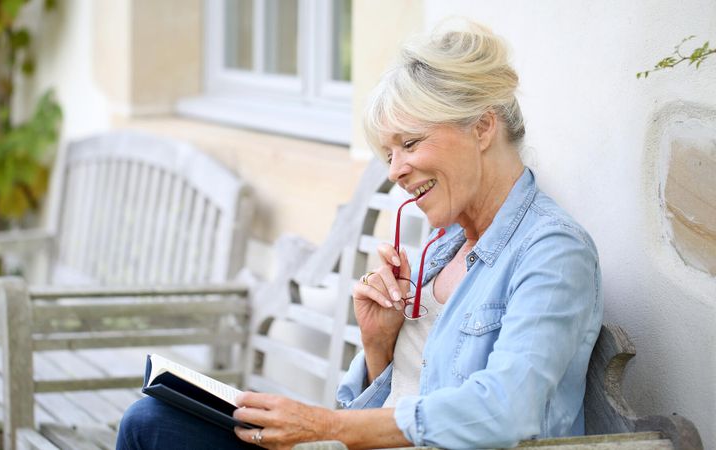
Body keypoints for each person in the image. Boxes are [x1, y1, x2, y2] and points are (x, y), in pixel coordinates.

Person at [116, 18, 603, 450]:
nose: (396, 171)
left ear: (481, 128)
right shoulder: (446, 247)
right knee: (152, 420)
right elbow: (384, 398)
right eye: (388, 154)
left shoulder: (553, 252)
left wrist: (326, 426)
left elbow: (506, 408)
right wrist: (378, 346)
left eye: (409, 144)